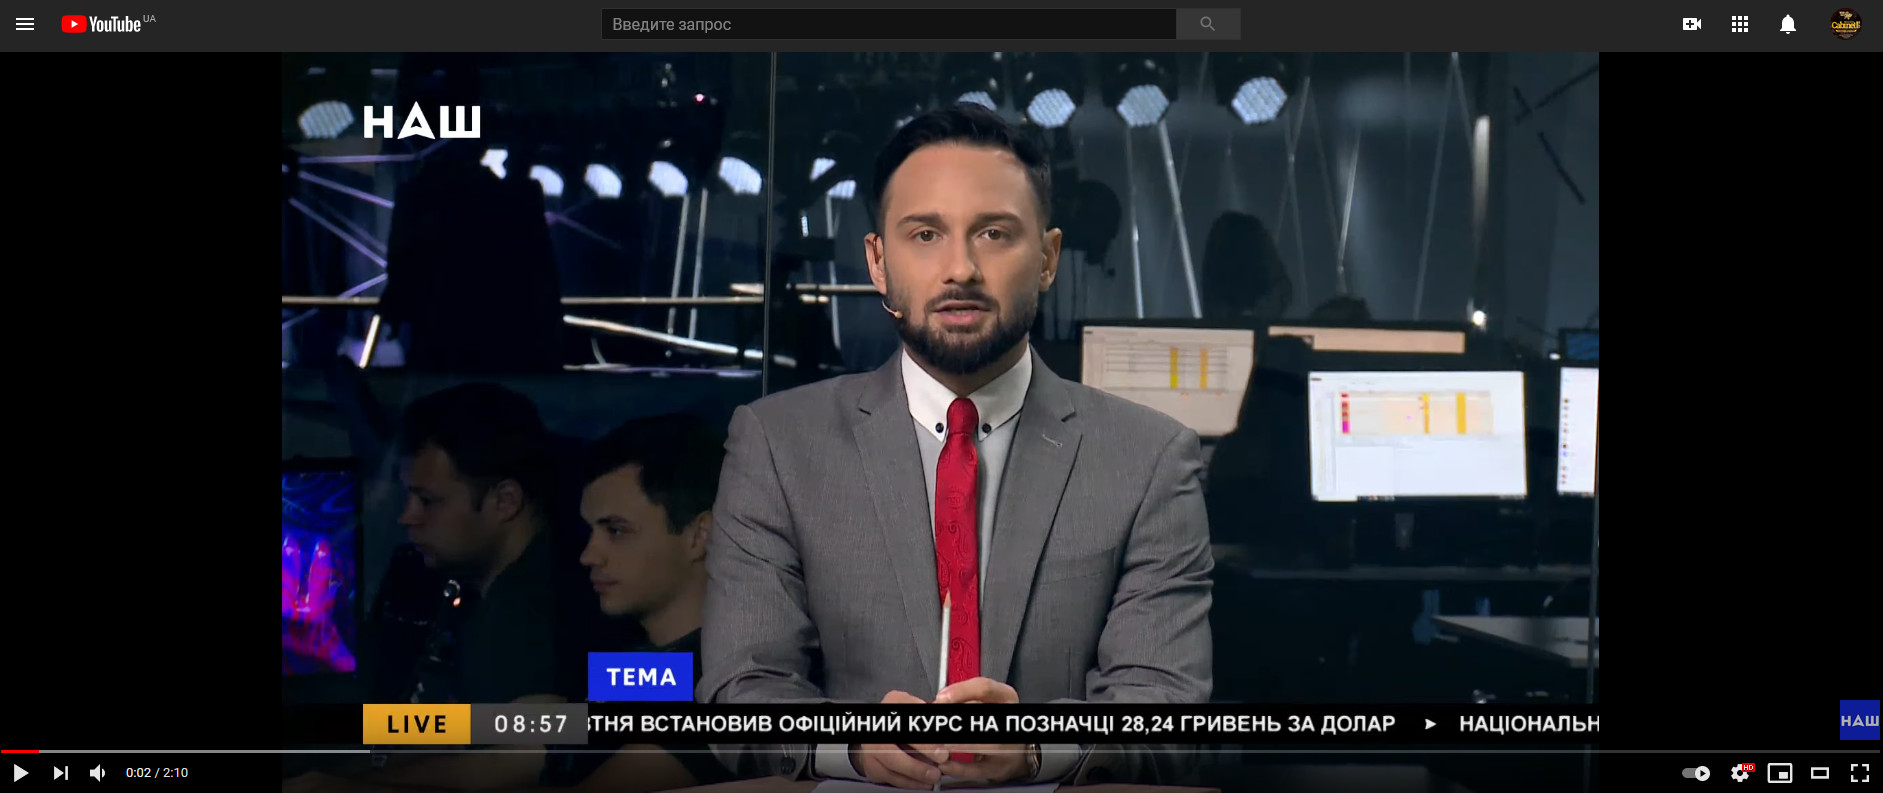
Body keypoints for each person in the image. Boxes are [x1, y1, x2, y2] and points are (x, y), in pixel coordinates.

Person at [703, 103, 1213, 789]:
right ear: (878, 262)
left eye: (994, 234)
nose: (960, 268)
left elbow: (1168, 706)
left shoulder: (1149, 457)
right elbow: (741, 689)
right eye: (925, 234)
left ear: (1047, 259)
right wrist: (852, 743)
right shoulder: (776, 445)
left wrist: (1038, 746)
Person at [285, 412, 730, 793]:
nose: (589, 555)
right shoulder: (647, 664)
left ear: (699, 535)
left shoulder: (720, 687)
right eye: (591, 530)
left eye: (616, 531)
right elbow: (524, 752)